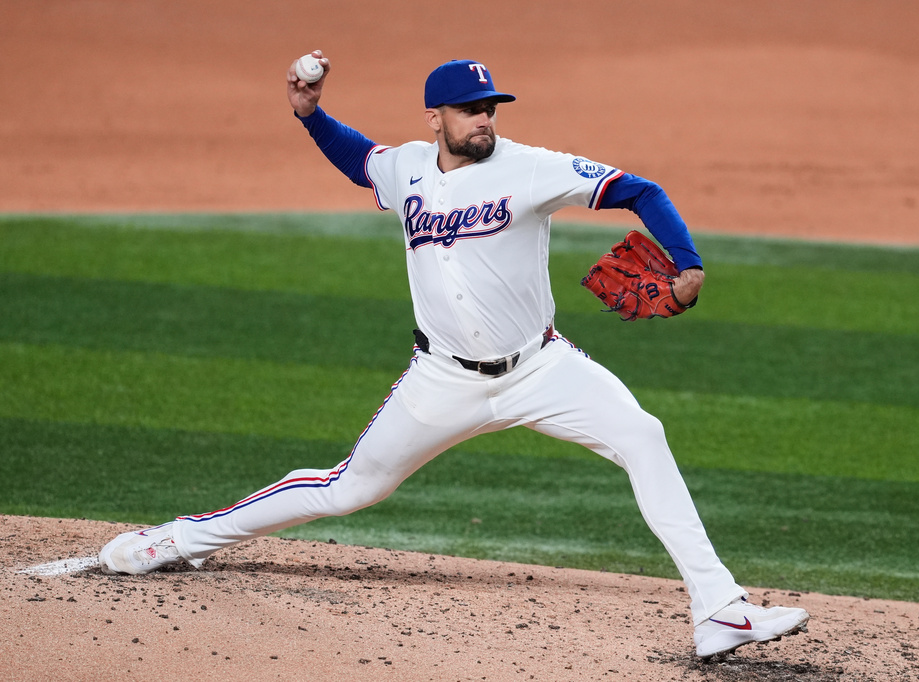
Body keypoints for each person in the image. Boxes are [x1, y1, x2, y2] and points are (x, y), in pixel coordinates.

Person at [98, 52, 809, 659]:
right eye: (469, 109)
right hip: (441, 379)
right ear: (435, 118)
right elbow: (359, 160)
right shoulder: (406, 168)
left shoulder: (532, 169)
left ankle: (720, 610)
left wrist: (687, 262)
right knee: (350, 489)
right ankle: (180, 539)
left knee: (642, 436)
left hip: (541, 369)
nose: (484, 119)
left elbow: (639, 190)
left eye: (490, 107)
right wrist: (310, 114)